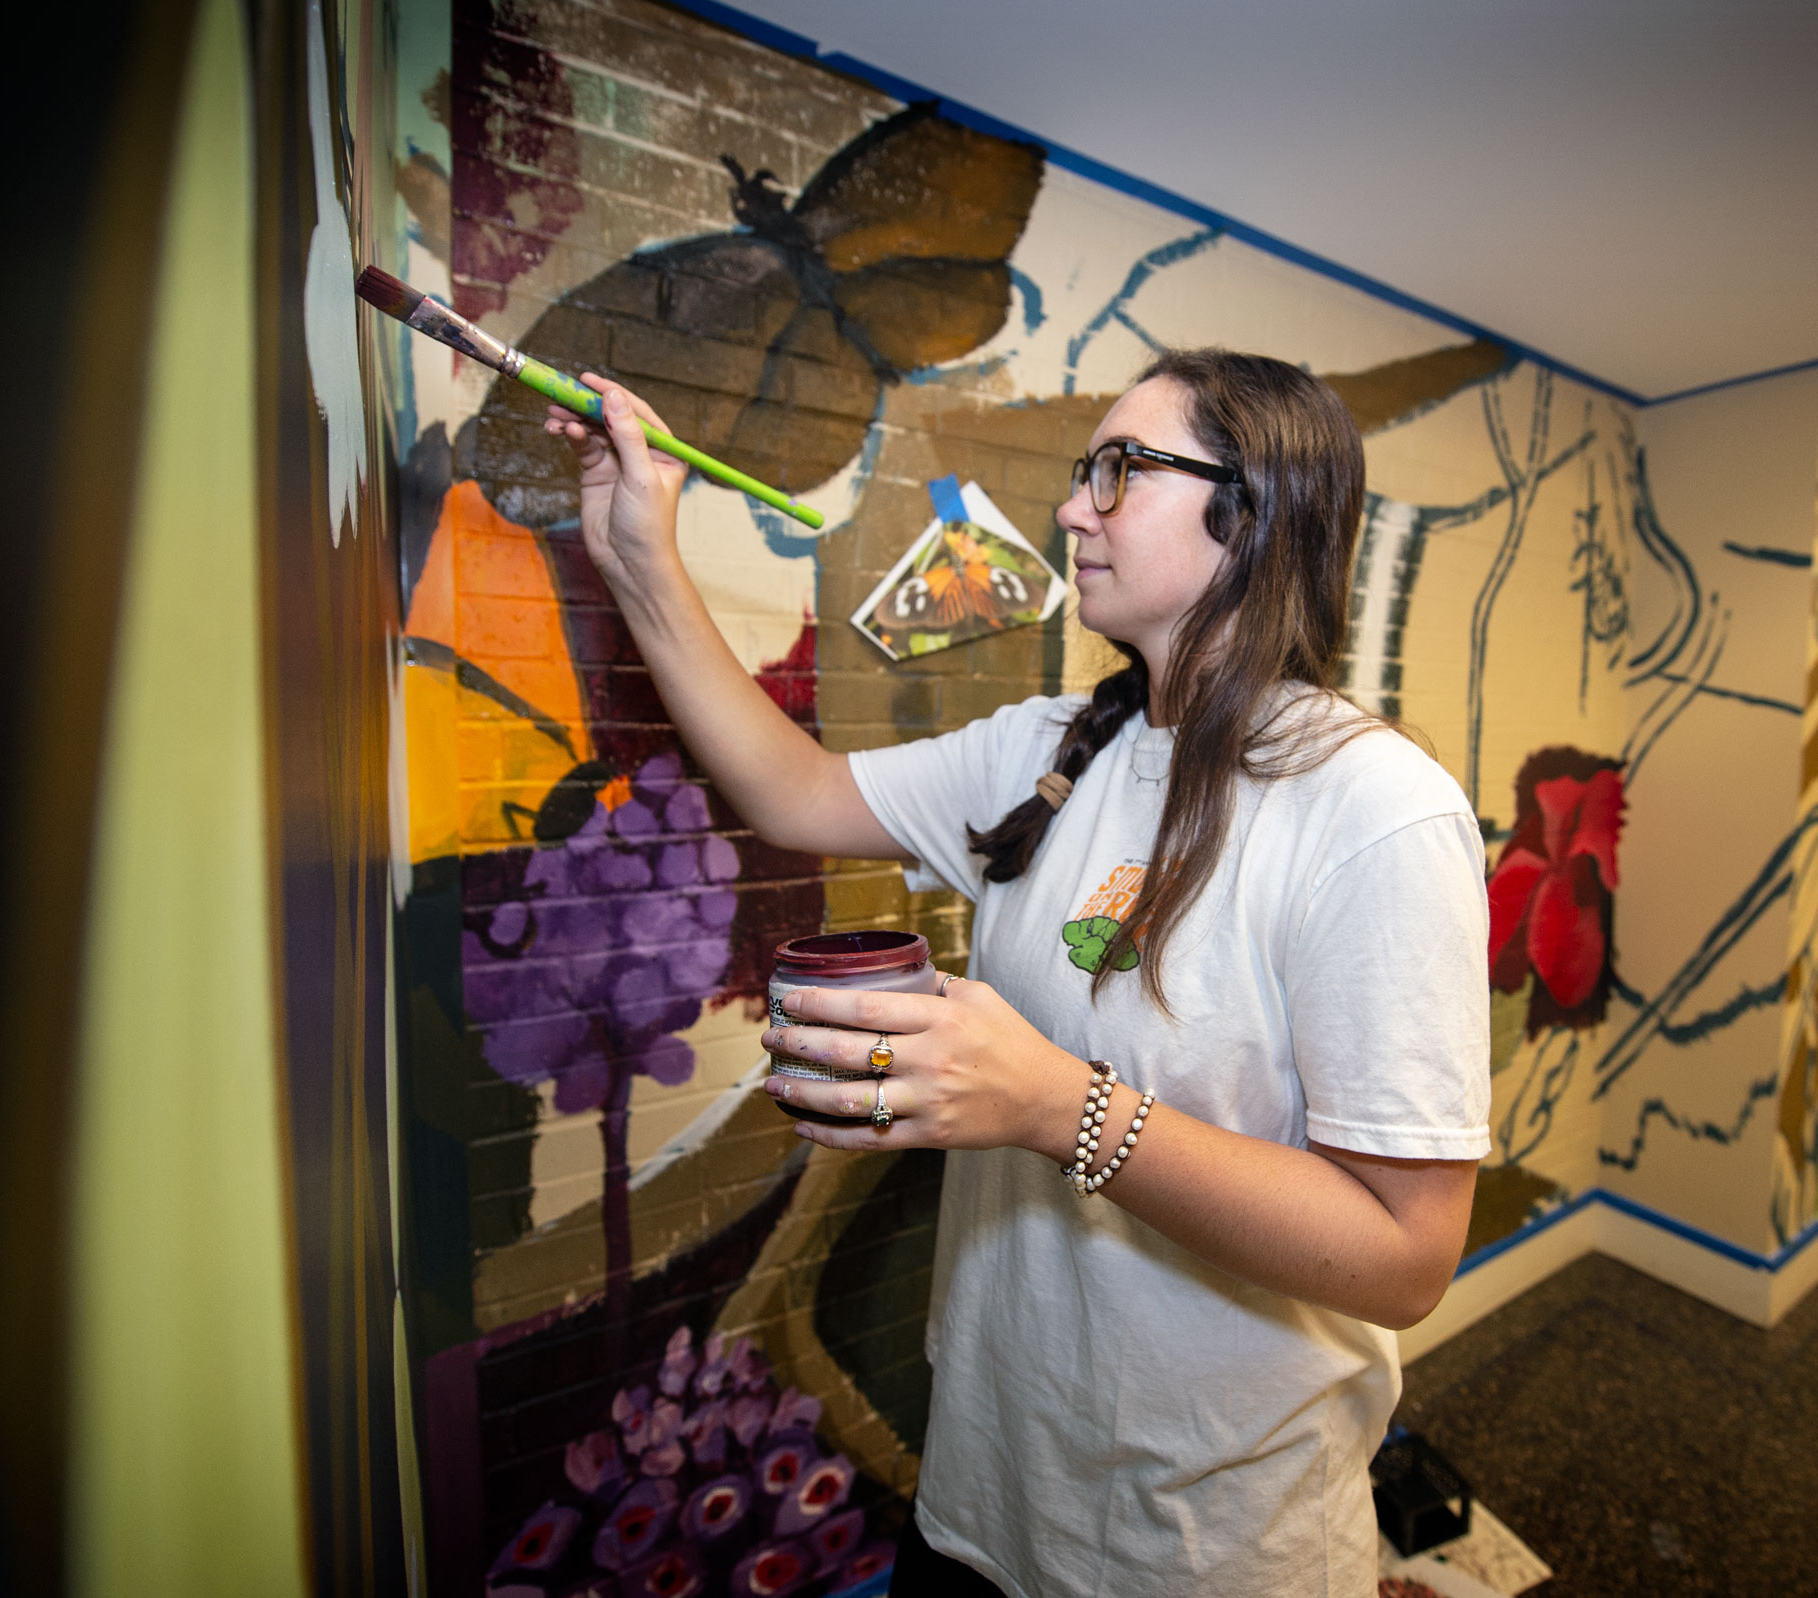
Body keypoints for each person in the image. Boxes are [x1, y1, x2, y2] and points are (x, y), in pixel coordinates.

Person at [547, 349, 1493, 1598]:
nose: (1071, 506)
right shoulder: (1052, 745)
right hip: (988, 1490)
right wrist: (641, 560)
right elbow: (795, 789)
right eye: (1082, 470)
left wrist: (1061, 1105)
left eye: (1121, 469)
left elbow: (1403, 1257)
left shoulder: (1373, 809)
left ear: (1251, 509)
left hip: (1203, 1546)